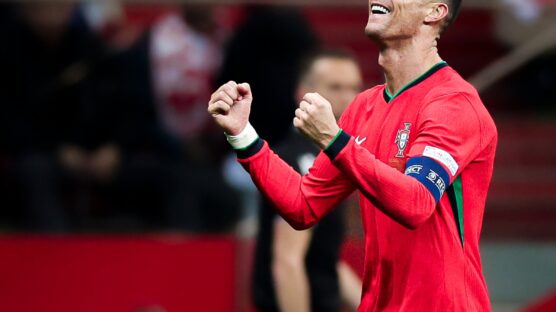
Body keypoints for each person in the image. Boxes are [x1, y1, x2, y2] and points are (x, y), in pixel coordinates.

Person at [208, 0, 497, 311]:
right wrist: (243, 135)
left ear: (434, 12)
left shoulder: (453, 104)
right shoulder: (363, 108)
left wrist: (334, 140)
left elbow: (416, 203)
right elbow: (302, 205)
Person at [251, 50, 363, 312]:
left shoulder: (329, 158)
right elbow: (287, 261)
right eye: (335, 87)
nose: (347, 97)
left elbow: (325, 259)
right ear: (303, 93)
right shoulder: (298, 160)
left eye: (354, 88)